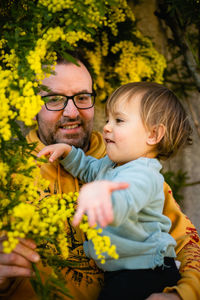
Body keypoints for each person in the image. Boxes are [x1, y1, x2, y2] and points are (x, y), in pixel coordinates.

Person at [0, 54, 200, 300]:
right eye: (54, 99)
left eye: (83, 97)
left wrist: (185, 295)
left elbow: (186, 244)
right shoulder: (7, 170)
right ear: (30, 106)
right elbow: (88, 167)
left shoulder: (132, 163)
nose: (72, 112)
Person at [37, 81, 190, 299]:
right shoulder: (112, 163)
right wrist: (68, 153)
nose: (107, 126)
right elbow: (89, 169)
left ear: (153, 135)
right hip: (124, 270)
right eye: (108, 119)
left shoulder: (144, 175)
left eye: (119, 120)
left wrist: (102, 196)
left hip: (147, 271)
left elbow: (126, 200)